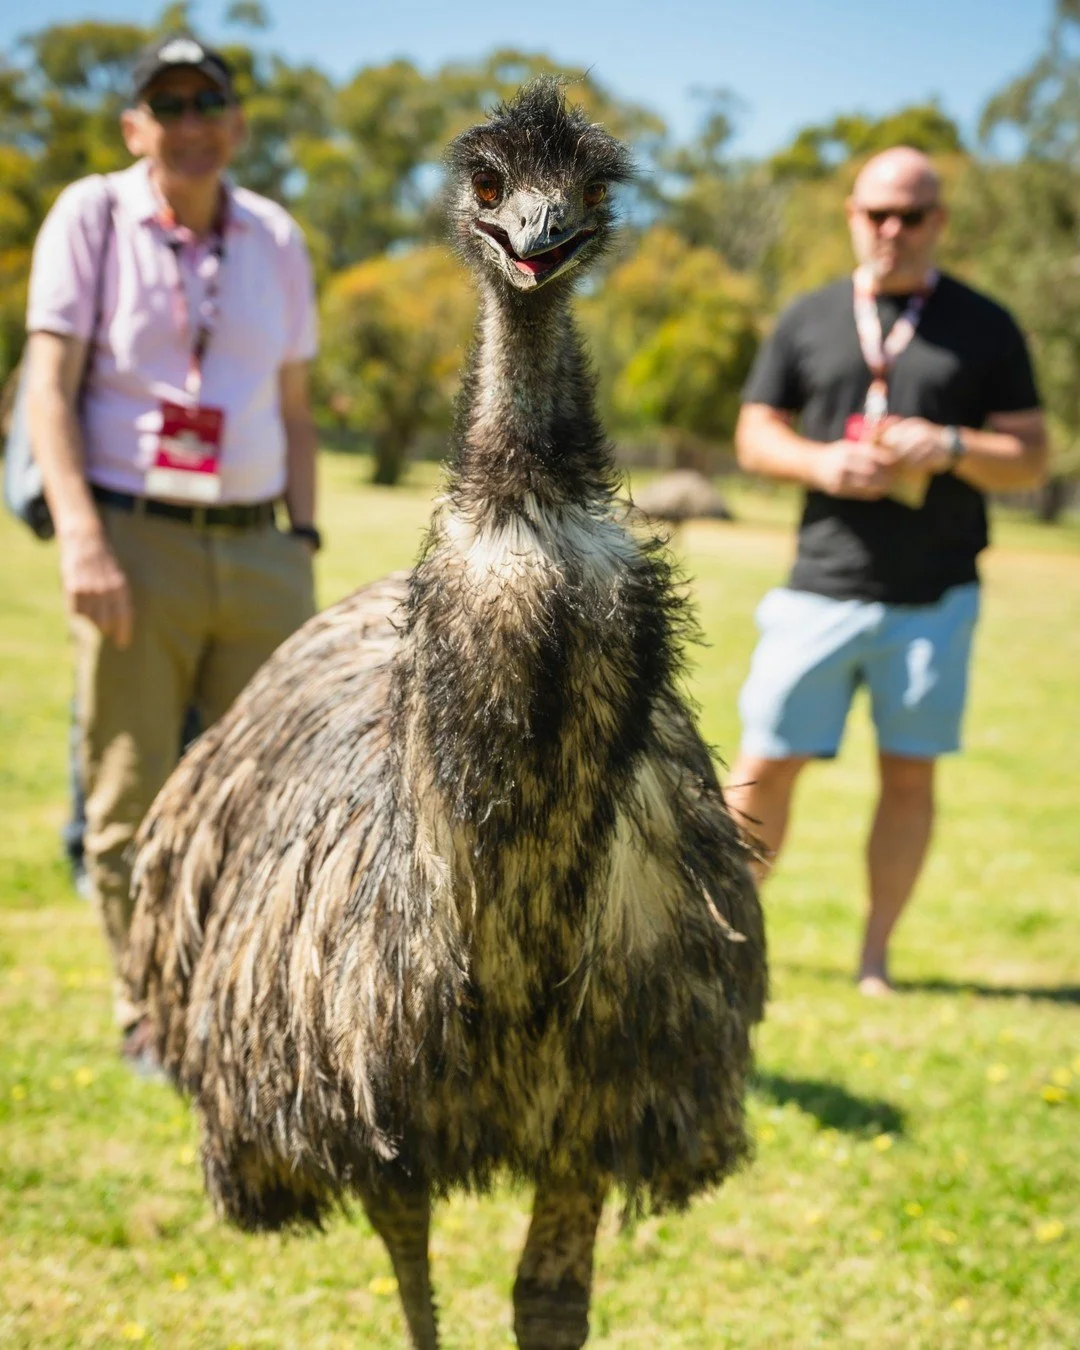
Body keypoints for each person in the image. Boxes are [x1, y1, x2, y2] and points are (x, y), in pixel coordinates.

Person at [25, 33, 321, 1063]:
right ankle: (150, 1012)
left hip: (259, 549)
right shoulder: (92, 216)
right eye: (170, 104)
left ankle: (240, 1005)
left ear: (237, 126)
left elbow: (294, 403)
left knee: (270, 794)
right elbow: (46, 391)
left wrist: (304, 536)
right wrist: (81, 543)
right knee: (131, 793)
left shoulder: (276, 236)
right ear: (135, 126)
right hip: (134, 541)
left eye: (209, 104)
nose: (190, 124)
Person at [726, 146, 1047, 996]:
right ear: (852, 216)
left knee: (909, 774)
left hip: (934, 595)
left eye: (912, 215)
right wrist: (823, 465)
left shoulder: (985, 325)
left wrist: (949, 446)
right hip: (819, 584)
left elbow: (1032, 457)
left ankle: (875, 960)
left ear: (939, 222)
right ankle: (720, 945)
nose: (893, 230)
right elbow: (754, 434)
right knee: (765, 764)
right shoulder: (809, 316)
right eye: (877, 213)